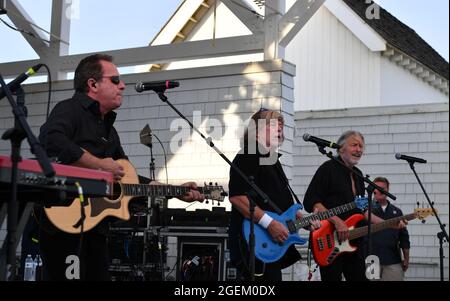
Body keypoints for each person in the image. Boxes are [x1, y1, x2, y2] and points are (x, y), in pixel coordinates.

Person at [37, 54, 204, 280]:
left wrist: (175, 191)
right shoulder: (69, 109)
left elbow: (129, 179)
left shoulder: (109, 129)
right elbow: (51, 140)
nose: (123, 85)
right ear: (93, 84)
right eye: (115, 80)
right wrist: (98, 164)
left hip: (96, 231)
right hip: (65, 224)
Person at [228, 108, 320, 281]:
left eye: (281, 125)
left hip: (270, 241)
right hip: (255, 240)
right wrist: (270, 224)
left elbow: (281, 203)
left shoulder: (271, 159)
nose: (279, 128)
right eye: (273, 124)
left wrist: (303, 219)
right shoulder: (249, 154)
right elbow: (237, 197)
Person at [303, 131, 375, 281]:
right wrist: (337, 221)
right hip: (329, 240)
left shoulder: (358, 175)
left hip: (354, 242)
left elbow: (362, 211)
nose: (359, 149)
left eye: (361, 146)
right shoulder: (328, 168)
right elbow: (311, 201)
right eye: (354, 145)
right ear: (341, 148)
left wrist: (391, 223)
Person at [371, 176, 410, 281]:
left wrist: (406, 258)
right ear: (372, 189)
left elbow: (404, 238)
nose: (379, 190)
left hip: (393, 259)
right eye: (376, 187)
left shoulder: (397, 212)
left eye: (383, 188)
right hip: (371, 260)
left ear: (388, 190)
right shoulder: (366, 210)